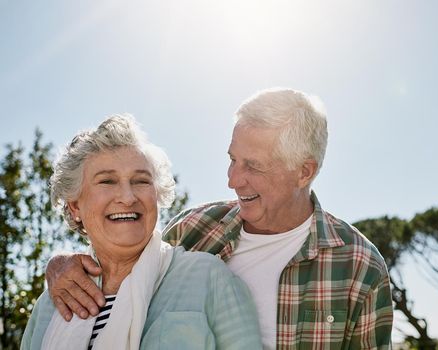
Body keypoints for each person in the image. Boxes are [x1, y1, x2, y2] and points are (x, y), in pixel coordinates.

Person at [46, 89, 393, 349]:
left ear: (304, 172)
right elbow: (124, 265)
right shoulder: (193, 230)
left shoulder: (359, 267)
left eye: (253, 166)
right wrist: (60, 264)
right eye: (233, 159)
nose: (233, 179)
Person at [22, 115, 261, 349]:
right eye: (107, 181)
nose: (127, 197)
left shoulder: (209, 277)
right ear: (75, 206)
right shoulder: (50, 304)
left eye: (141, 181)